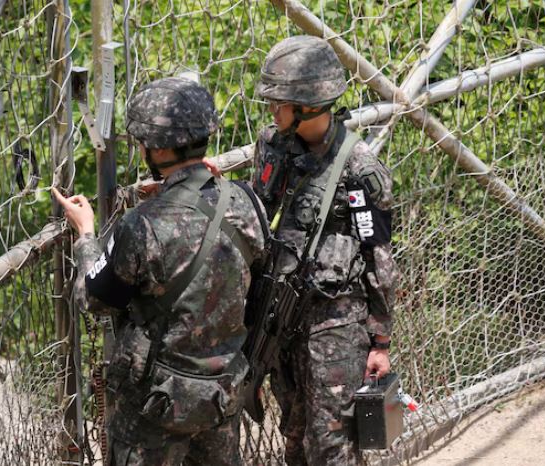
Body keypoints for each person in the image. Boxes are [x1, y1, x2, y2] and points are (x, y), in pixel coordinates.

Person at [52, 77, 265, 465]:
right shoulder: (246, 202)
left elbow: (92, 297)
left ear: (159, 148)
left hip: (156, 402)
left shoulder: (142, 224)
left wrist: (85, 235)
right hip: (222, 392)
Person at [251, 36, 399, 465]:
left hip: (336, 328)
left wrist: (380, 342)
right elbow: (257, 215)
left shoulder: (361, 171)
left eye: (278, 102)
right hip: (283, 318)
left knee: (333, 446)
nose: (271, 111)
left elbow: (379, 260)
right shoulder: (274, 145)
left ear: (307, 105)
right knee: (294, 439)